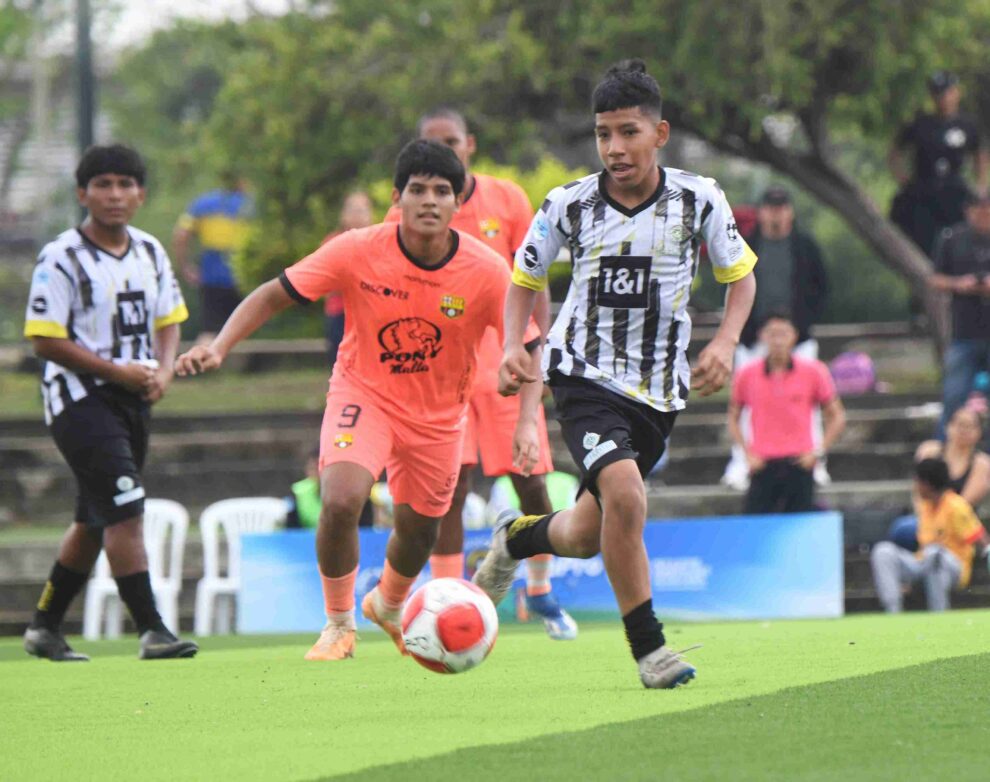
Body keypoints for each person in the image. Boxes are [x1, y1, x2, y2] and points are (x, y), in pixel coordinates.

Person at [176, 140, 543, 662]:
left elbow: (527, 344)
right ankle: (338, 623)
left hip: (438, 419)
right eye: (417, 190)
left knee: (419, 533)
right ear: (397, 198)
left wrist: (526, 421)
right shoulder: (357, 249)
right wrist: (217, 345)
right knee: (342, 498)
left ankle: (389, 605)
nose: (429, 201)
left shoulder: (484, 270)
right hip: (363, 395)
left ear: (458, 204)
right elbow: (273, 294)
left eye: (442, 191)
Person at [471, 60, 758, 689]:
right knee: (627, 495)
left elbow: (741, 278)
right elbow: (524, 279)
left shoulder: (699, 198)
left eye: (628, 132)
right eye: (604, 134)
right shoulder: (567, 204)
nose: (614, 148)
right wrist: (517, 348)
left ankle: (514, 540)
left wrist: (728, 341)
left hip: (658, 389)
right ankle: (650, 651)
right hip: (582, 373)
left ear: (660, 133)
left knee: (582, 534)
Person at [385, 107, 576, 640]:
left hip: (503, 353)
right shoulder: (403, 209)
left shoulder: (507, 199)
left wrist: (541, 342)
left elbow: (532, 275)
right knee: (446, 485)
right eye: (431, 143)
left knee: (530, 474)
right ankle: (447, 599)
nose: (443, 150)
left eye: (451, 141)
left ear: (469, 144)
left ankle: (539, 588)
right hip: (437, 364)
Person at [22, 144, 198, 661]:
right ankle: (152, 630)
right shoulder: (61, 256)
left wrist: (164, 371)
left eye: (125, 184)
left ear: (141, 194)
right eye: (103, 184)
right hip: (79, 397)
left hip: (133, 399)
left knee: (95, 519)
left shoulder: (148, 250)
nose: (115, 194)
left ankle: (45, 626)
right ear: (83, 193)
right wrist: (115, 371)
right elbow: (44, 338)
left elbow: (169, 320)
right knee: (125, 509)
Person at [721, 185, 829, 490]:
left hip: (799, 339)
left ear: (790, 212)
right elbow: (730, 286)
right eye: (770, 208)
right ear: (761, 212)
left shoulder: (805, 247)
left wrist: (798, 327)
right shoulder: (745, 245)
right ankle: (742, 463)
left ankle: (814, 461)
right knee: (745, 405)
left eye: (782, 208)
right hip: (753, 340)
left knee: (810, 403)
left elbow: (821, 290)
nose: (776, 214)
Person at [728, 313, 846, 515]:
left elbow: (837, 416)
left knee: (799, 524)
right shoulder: (747, 374)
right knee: (757, 524)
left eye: (783, 334)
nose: (778, 341)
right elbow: (733, 417)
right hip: (762, 463)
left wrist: (818, 451)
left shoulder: (814, 371)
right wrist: (746, 452)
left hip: (799, 462)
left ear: (794, 336)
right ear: (762, 337)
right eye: (772, 334)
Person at [889, 71, 988, 257]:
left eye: (947, 92)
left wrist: (980, 185)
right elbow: (895, 152)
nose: (943, 98)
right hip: (924, 188)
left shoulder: (967, 124)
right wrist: (902, 179)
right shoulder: (920, 123)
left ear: (956, 93)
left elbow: (980, 155)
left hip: (954, 189)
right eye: (938, 93)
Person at [871, 458, 989, 613]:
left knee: (935, 554)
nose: (915, 487)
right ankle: (892, 610)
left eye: (917, 482)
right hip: (923, 563)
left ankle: (939, 612)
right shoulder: (925, 506)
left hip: (953, 568)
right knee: (883, 551)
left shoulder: (956, 506)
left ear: (927, 484)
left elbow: (980, 539)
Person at [929, 192, 990, 438]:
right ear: (968, 210)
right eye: (979, 210)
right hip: (964, 333)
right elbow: (935, 278)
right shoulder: (952, 238)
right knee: (954, 398)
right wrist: (959, 284)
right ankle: (944, 458)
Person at [887, 405, 990, 550]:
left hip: (959, 522)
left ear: (979, 432)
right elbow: (919, 491)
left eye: (970, 426)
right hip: (926, 517)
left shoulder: (982, 463)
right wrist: (927, 519)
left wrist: (940, 523)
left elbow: (963, 504)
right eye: (960, 424)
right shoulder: (929, 451)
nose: (964, 430)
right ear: (948, 426)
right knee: (902, 529)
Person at [173, 170, 253, 340]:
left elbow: (181, 235)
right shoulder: (249, 205)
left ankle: (202, 365)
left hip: (211, 273)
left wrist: (185, 267)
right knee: (242, 327)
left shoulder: (203, 204)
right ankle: (232, 366)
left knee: (209, 327)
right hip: (243, 274)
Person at [323, 191, 374, 369]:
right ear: (343, 215)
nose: (357, 215)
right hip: (339, 313)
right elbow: (326, 281)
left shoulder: (378, 243)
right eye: (353, 210)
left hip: (369, 315)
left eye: (362, 210)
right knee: (339, 365)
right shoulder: (333, 242)